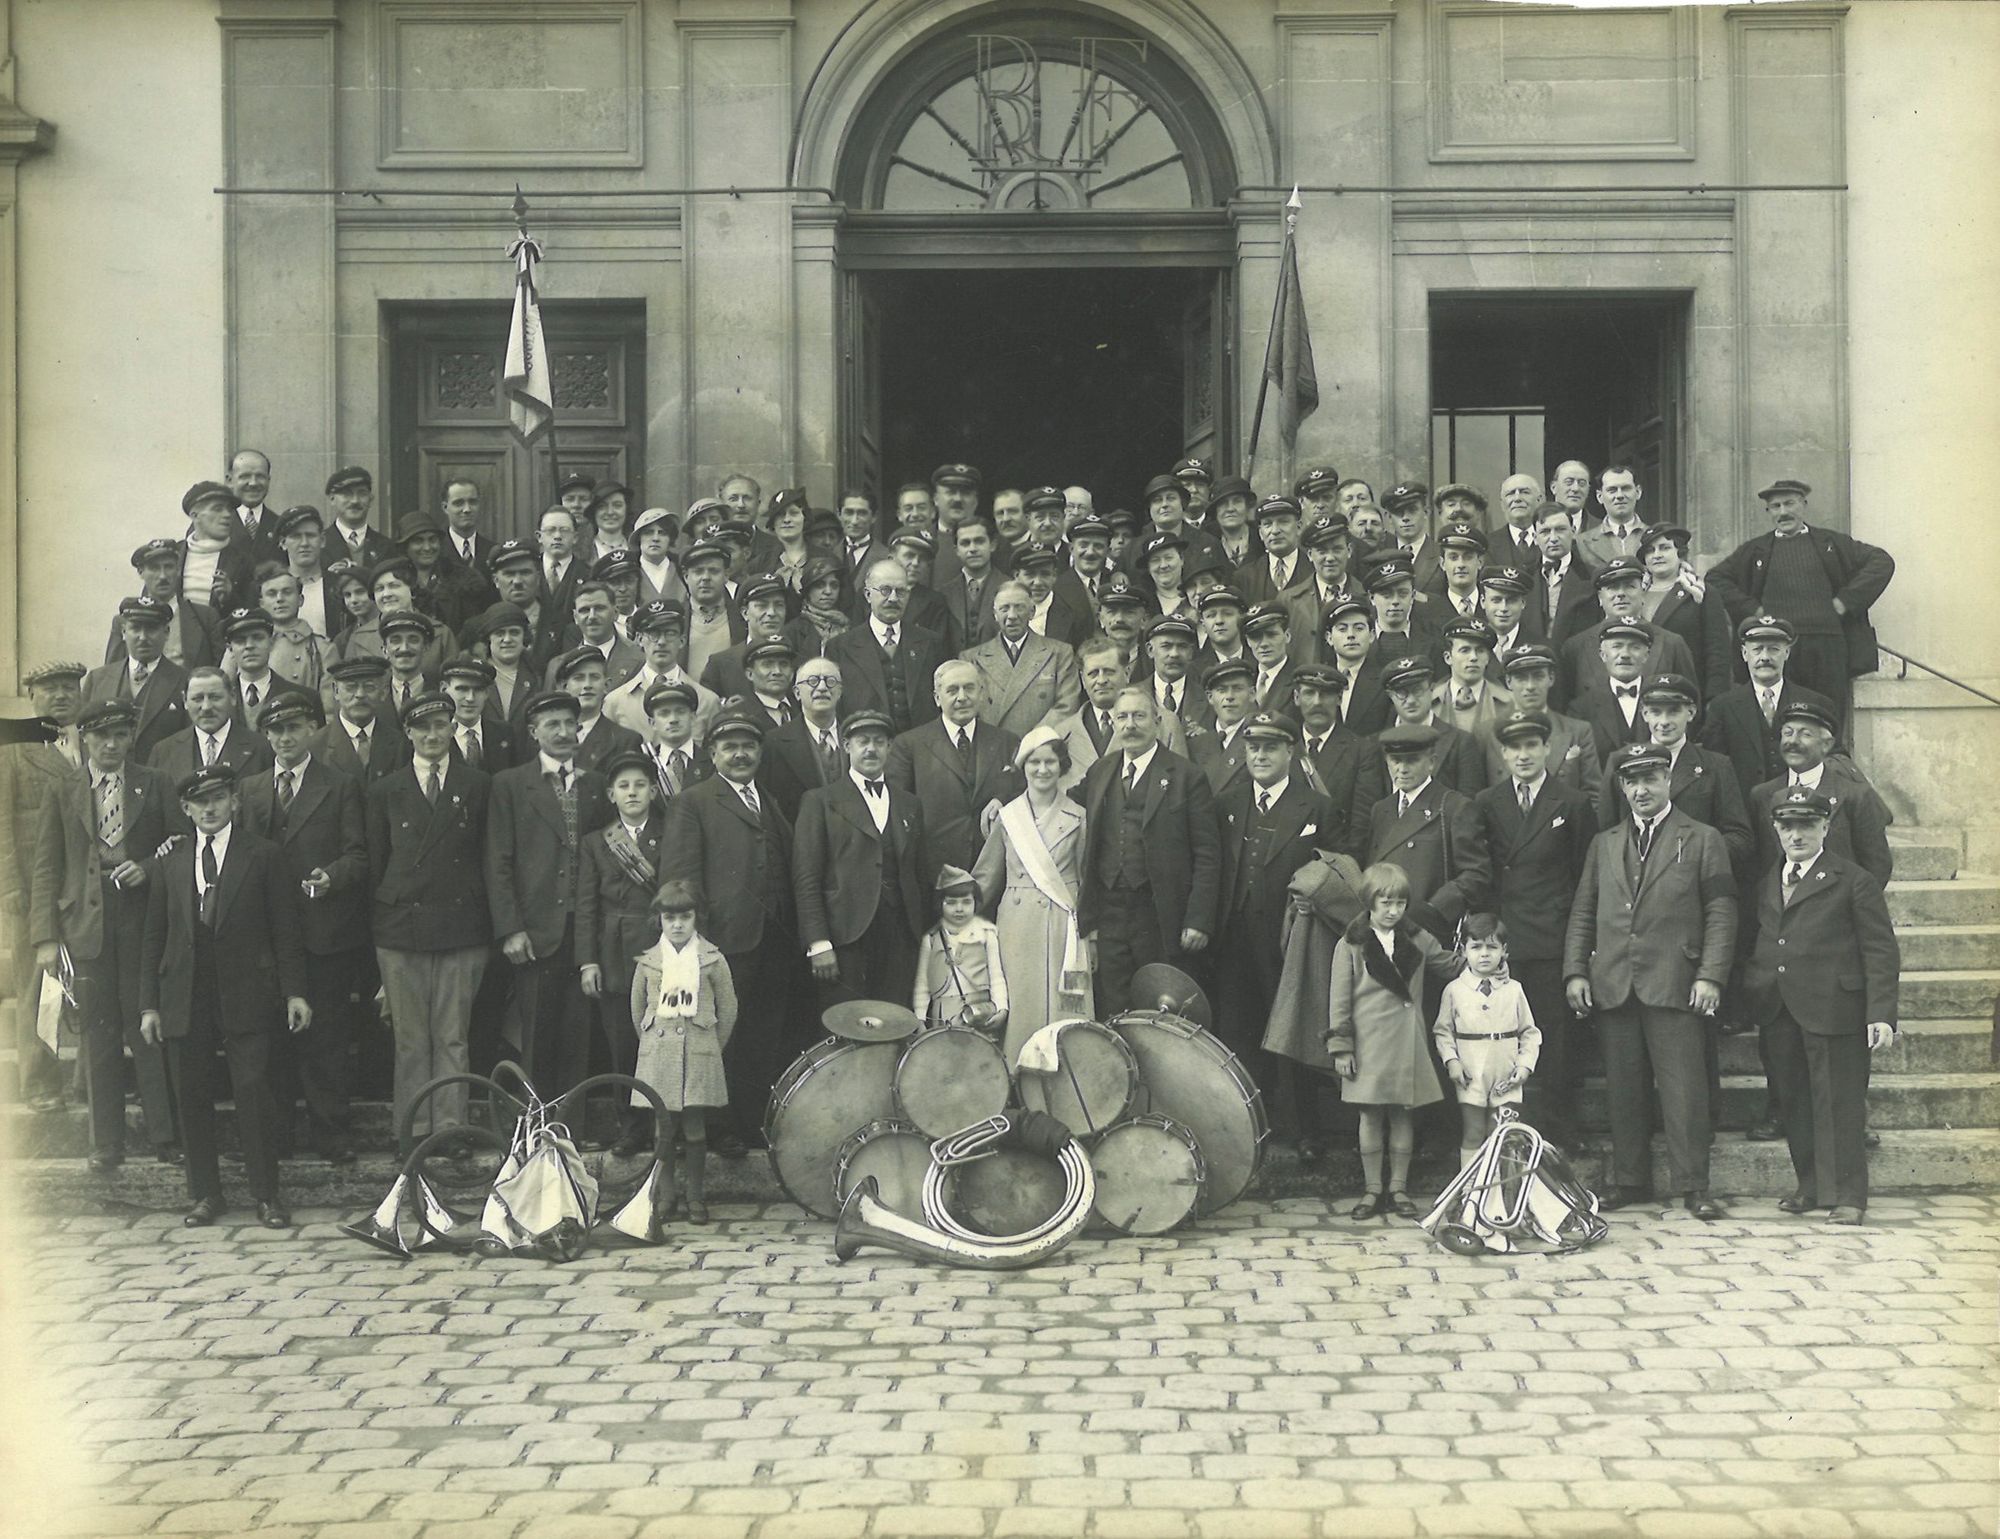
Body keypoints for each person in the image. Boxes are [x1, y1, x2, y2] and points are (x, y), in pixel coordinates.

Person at [1564, 744, 1738, 1219]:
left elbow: (1721, 912)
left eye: (1651, 779)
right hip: (1615, 981)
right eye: (1632, 782)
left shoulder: (1702, 838)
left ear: (1668, 782)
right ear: (1621, 788)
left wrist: (1711, 976)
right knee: (1624, 1089)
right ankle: (1631, 1180)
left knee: (1684, 1089)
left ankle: (1693, 1185)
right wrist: (1576, 970)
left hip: (1676, 980)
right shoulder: (1605, 843)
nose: (1642, 790)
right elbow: (1583, 910)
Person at [139, 765, 310, 1228]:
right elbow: (154, 935)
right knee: (191, 1092)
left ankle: (266, 1195)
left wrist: (295, 992)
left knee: (253, 1090)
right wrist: (149, 1004)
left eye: (217, 799)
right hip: (185, 992)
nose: (209, 809)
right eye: (199, 802)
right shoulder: (170, 860)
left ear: (235, 801)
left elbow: (286, 930)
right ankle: (204, 1195)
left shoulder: (264, 855)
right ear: (185, 809)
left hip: (248, 990)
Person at [1739, 787, 1901, 1225]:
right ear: (1775, 830)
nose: (1797, 835)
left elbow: (1880, 951)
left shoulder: (1853, 880)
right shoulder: (1767, 880)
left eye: (1807, 825)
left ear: (1825, 828)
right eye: (1787, 826)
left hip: (1836, 1010)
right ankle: (1809, 1186)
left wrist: (1881, 1013)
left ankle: (1849, 1195)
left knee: (1840, 1103)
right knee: (1794, 1102)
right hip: (1780, 1009)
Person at [31, 700, 180, 1171]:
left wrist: (150, 868)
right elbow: (46, 866)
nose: (111, 745)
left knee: (147, 1027)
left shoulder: (154, 783)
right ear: (83, 740)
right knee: (98, 1035)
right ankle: (106, 1143)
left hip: (142, 920)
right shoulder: (64, 789)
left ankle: (165, 1135)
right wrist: (45, 938)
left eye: (119, 735)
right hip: (85, 926)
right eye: (100, 737)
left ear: (130, 737)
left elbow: (181, 842)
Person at [659, 703, 803, 1157]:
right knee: (720, 1037)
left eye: (748, 747)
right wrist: (694, 944)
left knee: (764, 1034)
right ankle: (719, 1129)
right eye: (729, 748)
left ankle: (753, 1122)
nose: (740, 755)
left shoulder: (769, 800)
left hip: (774, 941)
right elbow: (680, 879)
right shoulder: (693, 802)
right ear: (713, 754)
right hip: (724, 941)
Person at [237, 689, 369, 1165]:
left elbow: (359, 853)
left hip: (323, 930)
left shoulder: (339, 784)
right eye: (276, 730)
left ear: (312, 730)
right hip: (265, 936)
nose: (285, 738)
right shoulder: (250, 789)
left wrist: (331, 876)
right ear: (265, 735)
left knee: (326, 1037)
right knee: (270, 1037)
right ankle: (275, 1135)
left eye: (294, 728)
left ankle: (331, 1132)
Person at [368, 690, 491, 1155]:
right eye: (423, 728)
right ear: (409, 734)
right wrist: (381, 928)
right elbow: (379, 863)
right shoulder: (386, 789)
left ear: (453, 728)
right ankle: (414, 1129)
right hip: (402, 929)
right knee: (411, 1039)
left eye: (442, 725)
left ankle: (450, 1128)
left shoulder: (477, 785)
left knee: (452, 1035)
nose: (433, 735)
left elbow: (485, 856)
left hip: (461, 926)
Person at [1215, 709, 1336, 1159]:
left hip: (1289, 936)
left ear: (1291, 751)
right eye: (1253, 747)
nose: (1260, 755)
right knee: (1238, 1030)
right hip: (1234, 935)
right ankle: (1247, 1131)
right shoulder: (1227, 802)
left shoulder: (1316, 806)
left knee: (1292, 1030)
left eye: (1270, 747)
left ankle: (1305, 1131)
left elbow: (1333, 868)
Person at [1474, 710, 1595, 1144]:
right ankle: (1509, 1127)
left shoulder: (1573, 803)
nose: (1523, 755)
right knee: (1503, 1033)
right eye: (1513, 747)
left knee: (1551, 1034)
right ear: (1502, 753)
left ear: (1548, 748)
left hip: (1553, 934)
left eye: (1531, 745)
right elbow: (1482, 873)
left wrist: (1580, 945)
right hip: (1506, 937)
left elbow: (1585, 875)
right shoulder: (1487, 803)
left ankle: (1557, 1126)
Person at [486, 688, 610, 1098]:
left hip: (585, 925)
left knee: (579, 1032)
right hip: (536, 928)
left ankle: (571, 1127)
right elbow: (498, 861)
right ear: (534, 732)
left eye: (568, 724)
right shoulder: (510, 785)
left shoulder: (597, 786)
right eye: (551, 724)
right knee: (536, 1032)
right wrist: (511, 929)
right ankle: (537, 1127)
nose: (561, 732)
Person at [1073, 686, 1220, 1013]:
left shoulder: (1186, 776)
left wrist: (1198, 919)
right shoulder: (1101, 771)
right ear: (1112, 722)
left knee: (1161, 1006)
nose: (1130, 725)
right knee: (1115, 1003)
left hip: (1160, 912)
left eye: (1139, 716)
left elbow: (1208, 854)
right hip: (1110, 911)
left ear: (1157, 721)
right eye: (1122, 717)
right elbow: (1060, 804)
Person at [1704, 479, 1894, 730]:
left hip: (1828, 648)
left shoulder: (1832, 543)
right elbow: (1715, 578)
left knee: (1827, 719)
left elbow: (1881, 562)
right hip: (1777, 648)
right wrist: (1754, 611)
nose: (1783, 512)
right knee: (1780, 720)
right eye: (1775, 506)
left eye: (1789, 503)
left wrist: (1845, 602)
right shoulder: (1756, 550)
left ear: (1803, 505)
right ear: (1769, 512)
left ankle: (1827, 768)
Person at [1326, 861, 1459, 1219]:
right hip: (1368, 1042)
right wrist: (1342, 1047)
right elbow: (1339, 1000)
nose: (1393, 911)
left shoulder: (1417, 938)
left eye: (1399, 903)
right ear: (1370, 902)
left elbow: (1448, 965)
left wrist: (1483, 961)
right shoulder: (1350, 944)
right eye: (1385, 903)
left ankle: (1398, 1189)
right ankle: (1372, 1190)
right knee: (1369, 1116)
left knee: (1403, 1115)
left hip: (1405, 1040)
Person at [971, 725, 1092, 1066]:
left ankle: (1067, 1084)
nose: (1042, 770)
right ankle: (1016, 1082)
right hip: (1017, 927)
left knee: (1062, 1008)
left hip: (1061, 927)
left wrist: (1090, 936)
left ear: (1062, 766)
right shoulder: (1008, 817)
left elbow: (1086, 880)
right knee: (1021, 1007)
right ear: (1023, 767)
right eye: (1034, 762)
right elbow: (984, 878)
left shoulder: (1078, 816)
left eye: (1050, 762)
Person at [794, 707, 929, 1009]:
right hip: (845, 937)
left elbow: (919, 874)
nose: (871, 749)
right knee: (847, 1026)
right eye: (862, 741)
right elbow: (806, 878)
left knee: (894, 1019)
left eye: (879, 742)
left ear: (889, 748)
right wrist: (819, 943)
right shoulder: (820, 801)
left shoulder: (910, 804)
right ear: (846, 746)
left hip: (900, 935)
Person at [1, 661, 86, 1110]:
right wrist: (9, 884)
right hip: (34, 889)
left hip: (84, 885)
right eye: (49, 688)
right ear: (31, 697)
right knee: (38, 985)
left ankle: (89, 1081)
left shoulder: (97, 741)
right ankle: (39, 1081)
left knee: (90, 978)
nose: (60, 695)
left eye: (69, 688)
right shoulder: (14, 748)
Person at [630, 879, 736, 1224]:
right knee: (663, 1129)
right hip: (659, 1054)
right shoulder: (648, 962)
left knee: (694, 1128)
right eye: (669, 918)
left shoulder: (712, 960)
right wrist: (653, 1045)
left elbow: (729, 1008)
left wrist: (710, 1048)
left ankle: (695, 1197)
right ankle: (666, 1197)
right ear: (658, 920)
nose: (677, 925)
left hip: (698, 1053)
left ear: (696, 918)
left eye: (685, 917)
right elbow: (637, 1010)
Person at [578, 748, 668, 1158]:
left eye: (640, 785)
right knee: (623, 1045)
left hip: (661, 947)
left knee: (665, 1042)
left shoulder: (671, 833)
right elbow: (587, 906)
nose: (632, 793)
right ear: (611, 795)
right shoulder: (597, 843)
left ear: (653, 790)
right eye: (623, 786)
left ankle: (667, 1126)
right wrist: (588, 961)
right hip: (614, 954)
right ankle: (631, 1127)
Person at [1597, 674, 1756, 871]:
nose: (1664, 722)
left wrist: (1697, 856)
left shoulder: (1716, 766)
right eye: (1655, 712)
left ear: (1691, 713)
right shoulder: (1620, 762)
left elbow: (1740, 837)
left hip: (1694, 881)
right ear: (1644, 713)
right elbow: (1605, 831)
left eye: (1673, 712)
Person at [885, 660, 1021, 873]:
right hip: (934, 868)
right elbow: (897, 809)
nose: (962, 697)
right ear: (937, 698)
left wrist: (1001, 799)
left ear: (982, 693)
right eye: (952, 690)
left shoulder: (1007, 742)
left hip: (994, 866)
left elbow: (1021, 790)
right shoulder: (909, 745)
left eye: (969, 688)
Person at [1365, 721, 1491, 945]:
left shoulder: (1454, 806)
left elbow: (1476, 874)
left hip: (1428, 936)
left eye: (1412, 761)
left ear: (1432, 762)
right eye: (1396, 761)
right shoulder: (1381, 810)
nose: (1402, 769)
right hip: (1383, 934)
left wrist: (1434, 909)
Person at [1434, 913, 1541, 1171]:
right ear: (1463, 950)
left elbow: (1529, 1032)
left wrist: (1524, 1066)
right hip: (1471, 1072)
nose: (1484, 954)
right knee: (1473, 1132)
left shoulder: (1513, 989)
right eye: (1476, 947)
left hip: (1506, 1073)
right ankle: (1471, 1193)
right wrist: (1452, 1062)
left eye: (1492, 947)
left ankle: (1504, 1197)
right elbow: (1443, 1031)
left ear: (1504, 951)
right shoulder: (1455, 990)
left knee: (1503, 1134)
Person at [1699, 614, 1840, 801]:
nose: (1765, 657)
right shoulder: (1723, 707)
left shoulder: (1816, 703)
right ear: (1744, 654)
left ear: (1787, 653)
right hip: (1742, 810)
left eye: (1774, 650)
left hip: (1800, 811)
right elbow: (1714, 767)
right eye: (1757, 650)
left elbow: (1834, 759)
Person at [826, 558, 949, 736]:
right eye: (885, 590)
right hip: (869, 748)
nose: (893, 598)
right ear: (868, 595)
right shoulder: (840, 647)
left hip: (922, 750)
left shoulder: (930, 643)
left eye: (900, 592)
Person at [961, 580, 1082, 740]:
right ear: (995, 614)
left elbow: (1067, 706)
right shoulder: (972, 659)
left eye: (1019, 607)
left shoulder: (1060, 653)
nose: (1012, 616)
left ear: (1032, 612)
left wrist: (1031, 743)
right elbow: (967, 712)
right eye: (1005, 608)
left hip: (1040, 751)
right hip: (991, 750)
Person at [1487, 642, 1601, 804]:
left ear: (1551, 678)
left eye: (1538, 677)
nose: (1530, 686)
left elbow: (1594, 796)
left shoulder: (1578, 731)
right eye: (1521, 678)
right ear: (1508, 682)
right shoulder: (1487, 732)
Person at [84, 598, 191, 764]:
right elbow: (83, 736)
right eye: (135, 628)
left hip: (161, 783)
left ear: (167, 632)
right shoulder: (97, 679)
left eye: (151, 629)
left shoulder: (184, 680)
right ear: (124, 632)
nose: (143, 637)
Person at [1635, 524, 1732, 704]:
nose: (1656, 555)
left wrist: (1715, 698)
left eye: (1664, 548)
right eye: (1650, 551)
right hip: (1640, 690)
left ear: (1679, 553)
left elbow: (1717, 650)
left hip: (1685, 690)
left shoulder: (1700, 593)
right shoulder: (1634, 595)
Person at [912, 865, 1009, 1035]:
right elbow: (923, 984)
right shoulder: (932, 939)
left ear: (975, 903)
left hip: (980, 1012)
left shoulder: (986, 935)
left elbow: (996, 975)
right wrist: (919, 1017)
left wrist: (1002, 1008)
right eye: (951, 902)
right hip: (944, 1015)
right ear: (940, 904)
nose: (959, 908)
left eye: (966, 902)